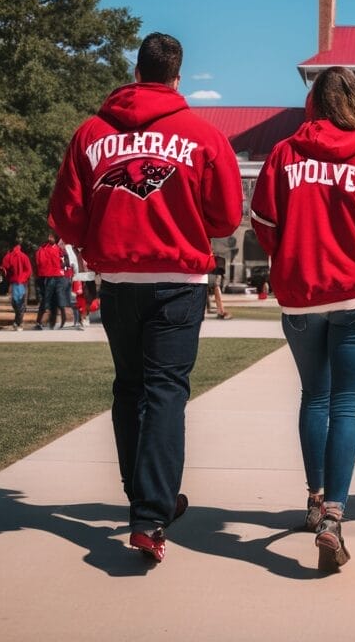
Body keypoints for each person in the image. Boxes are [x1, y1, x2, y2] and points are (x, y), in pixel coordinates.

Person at [50, 32, 243, 564]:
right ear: (177, 79)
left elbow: (65, 217)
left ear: (135, 74)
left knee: (130, 387)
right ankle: (151, 514)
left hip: (117, 283)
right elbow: (227, 218)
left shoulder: (90, 134)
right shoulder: (203, 136)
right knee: (164, 391)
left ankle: (145, 499)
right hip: (178, 281)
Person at [251, 66, 355, 572]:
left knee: (314, 397)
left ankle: (315, 498)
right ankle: (334, 519)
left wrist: (293, 258)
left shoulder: (283, 155)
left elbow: (263, 226)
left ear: (313, 105)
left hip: (301, 300)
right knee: (346, 405)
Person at [34, 232, 65, 329]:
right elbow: (39, 262)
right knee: (46, 300)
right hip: (48, 276)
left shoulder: (58, 249)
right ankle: (42, 321)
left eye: (51, 236)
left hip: (56, 276)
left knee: (56, 299)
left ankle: (53, 321)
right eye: (49, 236)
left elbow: (63, 261)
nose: (49, 238)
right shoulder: (43, 249)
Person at [0, 239, 32, 330]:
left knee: (15, 303)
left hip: (14, 282)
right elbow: (29, 270)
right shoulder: (24, 256)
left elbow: (4, 269)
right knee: (21, 303)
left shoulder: (8, 256)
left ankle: (17, 322)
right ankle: (19, 323)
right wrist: (24, 277)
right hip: (23, 282)